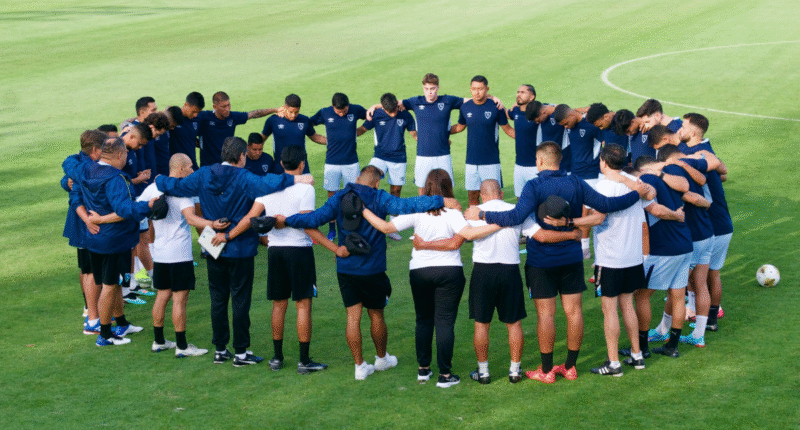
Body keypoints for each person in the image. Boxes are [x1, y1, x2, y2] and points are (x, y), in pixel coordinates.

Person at [465, 142, 651, 383]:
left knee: (546, 316)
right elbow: (607, 206)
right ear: (559, 160)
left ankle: (546, 371)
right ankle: (571, 367)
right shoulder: (575, 182)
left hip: (542, 261)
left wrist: (481, 214)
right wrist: (636, 194)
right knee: (574, 313)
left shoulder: (534, 185)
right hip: (571, 258)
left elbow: (515, 217)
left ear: (539, 161)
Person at [280, 165, 457, 380]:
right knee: (376, 315)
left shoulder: (340, 196)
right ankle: (381, 359)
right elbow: (407, 205)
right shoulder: (379, 196)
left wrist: (286, 220)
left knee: (352, 317)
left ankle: (359, 366)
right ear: (376, 182)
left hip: (345, 268)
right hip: (372, 269)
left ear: (357, 178)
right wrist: (440, 201)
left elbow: (313, 219)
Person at [155, 137, 314, 366]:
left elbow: (176, 186)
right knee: (240, 300)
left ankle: (220, 349)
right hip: (239, 246)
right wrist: (297, 178)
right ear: (241, 156)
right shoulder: (244, 176)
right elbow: (268, 184)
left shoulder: (204, 174)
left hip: (212, 244)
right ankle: (241, 352)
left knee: (217, 299)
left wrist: (158, 179)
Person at [359, 170, 501, 388]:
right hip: (449, 272)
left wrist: (363, 210)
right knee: (445, 321)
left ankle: (423, 370)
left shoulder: (417, 209)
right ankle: (445, 375)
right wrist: (502, 223)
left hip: (420, 271)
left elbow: (387, 227)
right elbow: (466, 237)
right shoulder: (453, 212)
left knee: (423, 320)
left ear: (426, 187)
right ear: (448, 187)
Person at [553, 144, 663, 376]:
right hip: (633, 256)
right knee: (628, 306)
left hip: (611, 258)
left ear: (603, 162)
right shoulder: (632, 182)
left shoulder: (602, 186)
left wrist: (569, 223)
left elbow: (597, 218)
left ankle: (614, 363)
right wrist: (634, 184)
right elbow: (651, 195)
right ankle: (637, 355)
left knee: (610, 310)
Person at [233, 146, 339, 374]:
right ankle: (304, 361)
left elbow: (252, 217)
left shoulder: (267, 186)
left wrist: (229, 235)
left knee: (278, 305)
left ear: (281, 164)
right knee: (303, 304)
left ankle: (277, 358)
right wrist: (334, 247)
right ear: (302, 164)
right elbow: (306, 224)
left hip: (275, 251)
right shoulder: (305, 189)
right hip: (299, 251)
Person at [63, 137, 157, 346]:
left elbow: (68, 167)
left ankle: (121, 323)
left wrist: (89, 219)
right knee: (110, 285)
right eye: (125, 155)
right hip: (115, 240)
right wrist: (147, 206)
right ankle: (105, 335)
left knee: (113, 283)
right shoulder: (116, 178)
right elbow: (124, 210)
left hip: (95, 239)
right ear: (119, 154)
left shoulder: (84, 170)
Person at [136, 153, 219, 358]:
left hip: (161, 254)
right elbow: (192, 219)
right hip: (180, 254)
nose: (192, 170)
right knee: (180, 300)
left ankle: (159, 341)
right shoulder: (182, 192)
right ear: (181, 169)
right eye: (190, 167)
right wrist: (214, 226)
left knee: (162, 295)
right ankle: (182, 346)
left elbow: (138, 209)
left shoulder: (152, 188)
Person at [619, 155, 693, 360]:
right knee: (677, 295)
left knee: (642, 295)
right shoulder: (666, 179)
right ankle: (672, 347)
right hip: (685, 243)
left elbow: (656, 210)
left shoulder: (646, 182)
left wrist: (675, 215)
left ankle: (642, 348)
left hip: (663, 247)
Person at [676, 113, 732, 332]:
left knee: (694, 275)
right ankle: (712, 318)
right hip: (723, 223)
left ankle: (692, 311)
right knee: (712, 273)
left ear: (693, 132)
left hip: (710, 227)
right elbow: (723, 172)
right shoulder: (705, 152)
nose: (680, 129)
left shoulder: (698, 154)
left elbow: (719, 169)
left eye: (683, 126)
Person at [61, 129, 107, 334]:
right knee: (90, 269)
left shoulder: (74, 162)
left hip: (86, 224)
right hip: (87, 224)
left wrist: (67, 181)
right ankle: (92, 316)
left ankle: (91, 310)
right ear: (95, 149)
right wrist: (67, 182)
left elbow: (67, 177)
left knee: (88, 268)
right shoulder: (84, 166)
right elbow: (69, 184)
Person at [449, 75, 514, 206]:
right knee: (472, 197)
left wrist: (527, 135)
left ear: (487, 89)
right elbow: (460, 127)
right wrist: (440, 132)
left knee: (494, 198)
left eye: (480, 89)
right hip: (471, 161)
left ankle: (494, 225)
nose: (476, 92)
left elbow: (508, 130)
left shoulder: (496, 107)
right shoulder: (465, 107)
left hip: (491, 161)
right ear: (470, 89)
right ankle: (474, 225)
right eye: (473, 89)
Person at [311, 93, 368, 240]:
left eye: (344, 111)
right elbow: (308, 124)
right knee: (333, 197)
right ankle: (332, 229)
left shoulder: (355, 110)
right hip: (332, 163)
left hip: (351, 162)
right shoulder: (325, 112)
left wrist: (360, 131)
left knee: (353, 195)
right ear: (333, 107)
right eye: (339, 112)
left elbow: (371, 116)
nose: (342, 113)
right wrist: (322, 140)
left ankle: (354, 227)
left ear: (348, 105)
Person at [196, 91, 280, 166]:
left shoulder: (233, 117)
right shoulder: (204, 117)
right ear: (215, 107)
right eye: (223, 106)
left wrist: (275, 110)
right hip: (208, 166)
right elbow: (188, 134)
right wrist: (202, 145)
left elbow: (254, 114)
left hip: (226, 166)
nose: (227, 109)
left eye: (228, 105)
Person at [360, 92, 417, 199]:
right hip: (380, 156)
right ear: (383, 108)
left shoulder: (405, 115)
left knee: (395, 192)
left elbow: (415, 134)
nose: (393, 114)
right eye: (389, 112)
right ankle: (367, 211)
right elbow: (361, 130)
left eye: (395, 110)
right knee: (368, 180)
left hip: (398, 158)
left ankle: (393, 215)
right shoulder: (376, 115)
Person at [261, 93, 327, 174]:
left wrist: (334, 141)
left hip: (301, 166)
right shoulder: (273, 120)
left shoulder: (304, 120)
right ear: (285, 107)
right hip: (281, 165)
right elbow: (261, 139)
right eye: (291, 112)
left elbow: (315, 137)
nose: (293, 115)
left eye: (296, 112)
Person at [507, 84, 540, 199]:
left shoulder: (539, 111)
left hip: (535, 166)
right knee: (519, 198)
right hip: (519, 165)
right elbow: (503, 113)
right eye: (518, 92)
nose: (518, 94)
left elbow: (553, 108)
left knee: (537, 198)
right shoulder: (515, 111)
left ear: (532, 97)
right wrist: (492, 98)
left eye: (522, 92)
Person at [169, 91, 205, 170]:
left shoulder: (197, 119)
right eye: (194, 111)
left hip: (192, 166)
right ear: (186, 105)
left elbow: (190, 136)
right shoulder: (173, 118)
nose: (195, 115)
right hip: (177, 169)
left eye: (198, 112)